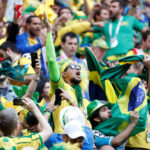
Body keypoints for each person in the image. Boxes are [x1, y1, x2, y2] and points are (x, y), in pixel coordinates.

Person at [45, 13, 90, 133]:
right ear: (63, 74)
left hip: (81, 139)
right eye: (73, 67)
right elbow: (51, 61)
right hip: (62, 139)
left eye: (78, 68)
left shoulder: (80, 96)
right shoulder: (60, 87)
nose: (78, 69)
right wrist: (49, 33)